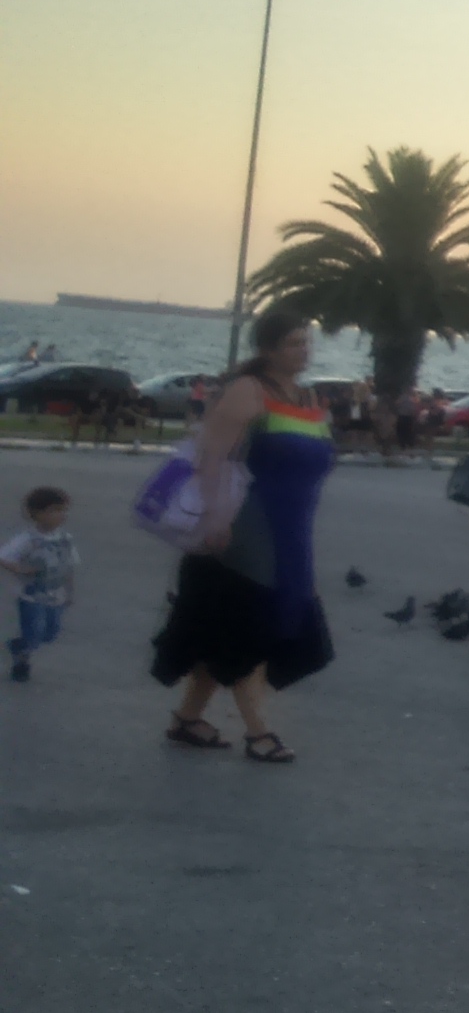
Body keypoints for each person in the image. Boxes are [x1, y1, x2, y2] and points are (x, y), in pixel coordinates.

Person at [149, 305, 335, 763]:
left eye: (307, 341)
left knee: (221, 625)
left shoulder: (307, 396)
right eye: (294, 342)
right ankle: (258, 732)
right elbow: (211, 457)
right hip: (248, 523)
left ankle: (187, 719)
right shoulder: (248, 391)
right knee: (254, 624)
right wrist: (216, 519)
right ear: (268, 348)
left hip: (293, 527)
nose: (304, 350)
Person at [3, 485, 77, 683]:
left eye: (63, 510)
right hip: (31, 596)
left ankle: (20, 644)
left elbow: (68, 565)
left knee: (50, 632)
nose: (61, 515)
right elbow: (4, 557)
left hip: (56, 594)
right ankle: (22, 659)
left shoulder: (65, 539)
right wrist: (21, 569)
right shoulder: (27, 539)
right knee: (34, 632)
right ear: (37, 513)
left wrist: (69, 591)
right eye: (55, 510)